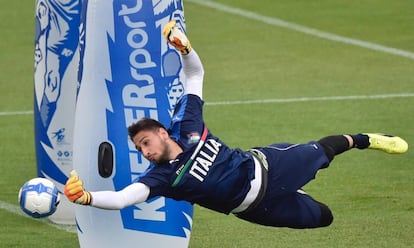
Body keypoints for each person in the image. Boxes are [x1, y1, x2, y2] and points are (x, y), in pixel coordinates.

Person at [64, 20, 409, 229]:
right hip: (258, 207)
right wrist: (89, 197)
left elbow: (195, 74)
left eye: (144, 142)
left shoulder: (188, 124)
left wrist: (185, 49)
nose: (143, 150)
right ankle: (299, 194)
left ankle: (368, 139)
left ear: (161, 132)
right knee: (325, 217)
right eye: (139, 148)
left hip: (271, 167)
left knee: (328, 148)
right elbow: (124, 199)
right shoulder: (163, 178)